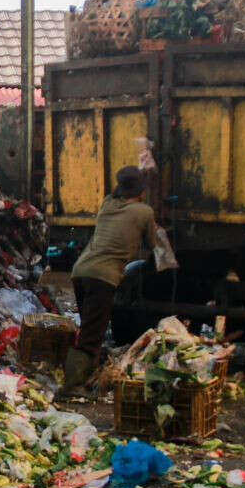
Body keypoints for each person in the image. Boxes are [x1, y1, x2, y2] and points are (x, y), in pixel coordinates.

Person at [60, 166, 172, 398]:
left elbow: (116, 193)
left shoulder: (107, 205)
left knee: (89, 328)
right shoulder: (144, 212)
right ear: (141, 191)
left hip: (81, 271)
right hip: (103, 276)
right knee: (91, 335)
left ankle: (85, 377)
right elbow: (155, 245)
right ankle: (72, 387)